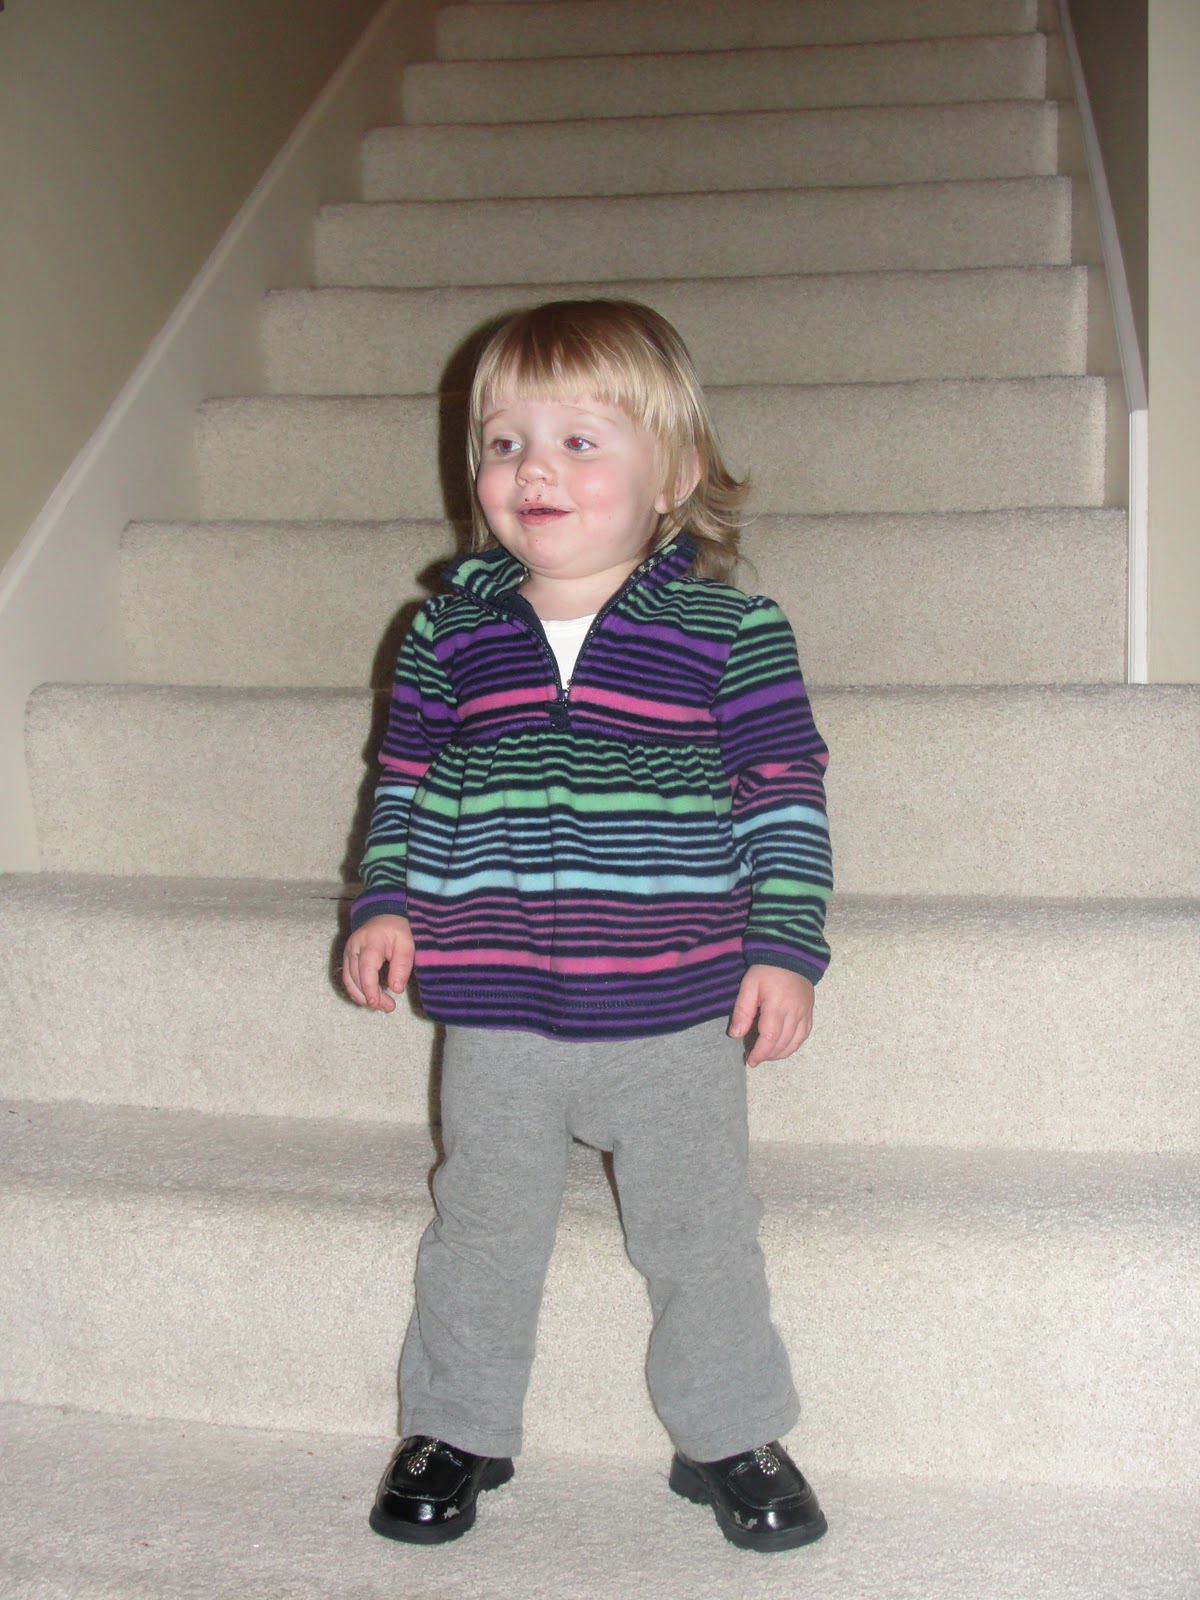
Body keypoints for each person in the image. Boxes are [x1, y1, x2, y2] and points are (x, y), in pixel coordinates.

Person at [342, 299, 833, 1553]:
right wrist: (385, 898)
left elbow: (782, 794)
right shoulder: (448, 632)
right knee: (481, 1228)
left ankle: (728, 1431)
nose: (534, 471)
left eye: (578, 441)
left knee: (701, 1235)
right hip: (497, 1011)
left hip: (676, 1012)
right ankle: (456, 1422)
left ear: (673, 476)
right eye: (504, 443)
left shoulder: (731, 631)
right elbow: (404, 779)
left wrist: (785, 947)